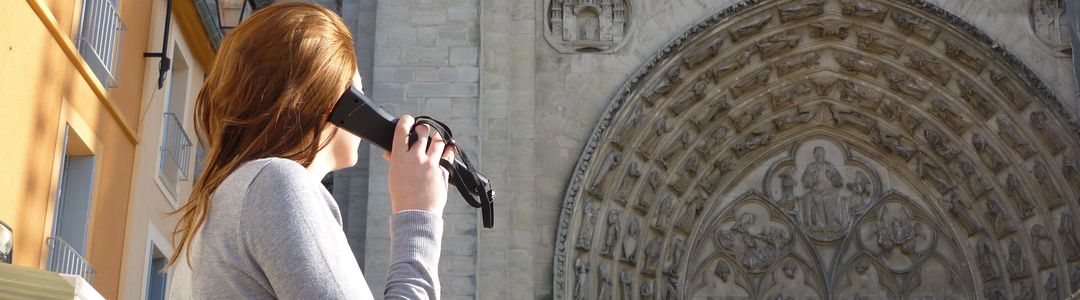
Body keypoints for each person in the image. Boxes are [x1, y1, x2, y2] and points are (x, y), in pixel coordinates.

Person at [167, 3, 454, 299]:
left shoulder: (219, 206)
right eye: (360, 92)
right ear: (336, 103)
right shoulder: (276, 184)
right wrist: (418, 215)